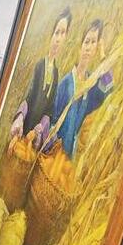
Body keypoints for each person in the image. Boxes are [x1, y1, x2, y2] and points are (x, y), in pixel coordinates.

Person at [49, 19, 112, 158]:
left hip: (70, 156)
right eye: (86, 42)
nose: (88, 48)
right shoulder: (66, 83)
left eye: (93, 42)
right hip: (55, 154)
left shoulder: (91, 85)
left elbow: (108, 88)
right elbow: (52, 120)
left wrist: (103, 54)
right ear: (80, 46)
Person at [10, 8, 71, 141]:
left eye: (63, 34)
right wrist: (20, 118)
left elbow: (49, 109)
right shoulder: (39, 65)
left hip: (34, 137)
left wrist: (41, 126)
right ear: (51, 35)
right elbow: (29, 96)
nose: (58, 39)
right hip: (22, 128)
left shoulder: (56, 74)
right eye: (57, 33)